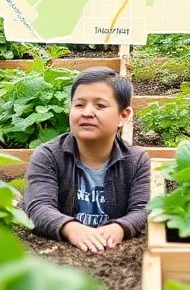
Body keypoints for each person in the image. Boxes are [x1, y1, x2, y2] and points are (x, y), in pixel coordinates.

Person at [24, 67, 150, 252]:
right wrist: (70, 228)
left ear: (123, 116)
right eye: (79, 105)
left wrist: (120, 227)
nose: (87, 113)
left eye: (100, 106)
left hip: (111, 252)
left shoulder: (136, 160)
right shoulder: (48, 155)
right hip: (61, 255)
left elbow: (141, 209)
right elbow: (38, 206)